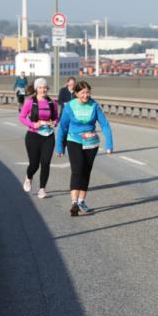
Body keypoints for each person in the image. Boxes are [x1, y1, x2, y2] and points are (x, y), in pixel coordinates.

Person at [55, 81, 113, 216]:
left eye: (88, 92)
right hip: (74, 140)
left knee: (86, 171)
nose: (86, 95)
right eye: (82, 93)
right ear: (76, 94)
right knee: (77, 169)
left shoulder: (94, 105)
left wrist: (109, 144)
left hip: (90, 142)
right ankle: (74, 202)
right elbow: (63, 128)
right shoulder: (70, 106)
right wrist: (59, 147)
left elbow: (105, 125)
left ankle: (81, 201)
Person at [19, 77, 59, 199]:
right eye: (40, 87)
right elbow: (22, 117)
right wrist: (33, 124)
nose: (43, 90)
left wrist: (54, 123)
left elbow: (56, 117)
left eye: (45, 87)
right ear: (36, 89)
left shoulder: (52, 103)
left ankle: (42, 189)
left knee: (46, 163)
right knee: (34, 164)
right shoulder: (30, 102)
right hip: (33, 136)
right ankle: (29, 177)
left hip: (48, 136)